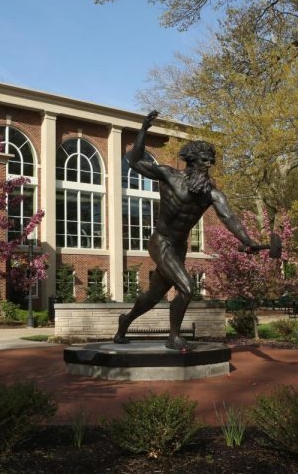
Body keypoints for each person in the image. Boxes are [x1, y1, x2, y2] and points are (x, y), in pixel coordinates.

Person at [114, 110, 281, 349]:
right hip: (161, 242)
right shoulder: (169, 176)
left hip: (179, 247)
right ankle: (173, 337)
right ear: (192, 161)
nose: (208, 164)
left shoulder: (212, 194)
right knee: (186, 288)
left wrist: (247, 240)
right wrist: (143, 130)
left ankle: (125, 321)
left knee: (152, 296)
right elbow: (135, 161)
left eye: (211, 161)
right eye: (204, 160)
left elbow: (230, 218)